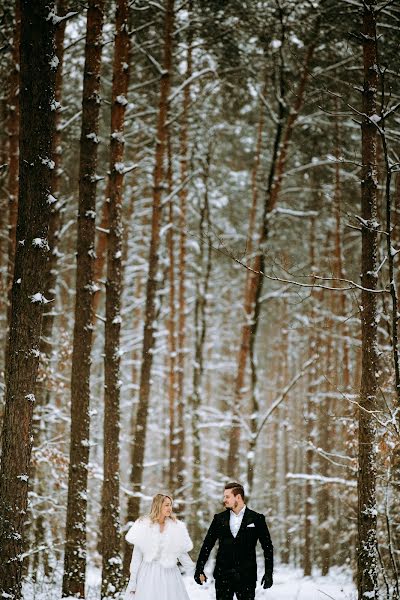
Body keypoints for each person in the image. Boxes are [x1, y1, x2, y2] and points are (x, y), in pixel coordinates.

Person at [194, 482, 273, 600]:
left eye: (227, 496)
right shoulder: (219, 519)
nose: (224, 500)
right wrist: (199, 569)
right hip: (223, 576)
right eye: (224, 496)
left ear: (238, 497)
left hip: (247, 576)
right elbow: (207, 544)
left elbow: (267, 547)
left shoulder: (257, 519)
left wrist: (268, 573)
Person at [124, 493, 194, 600]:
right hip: (148, 574)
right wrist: (133, 581)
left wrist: (196, 571)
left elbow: (181, 554)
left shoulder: (174, 526)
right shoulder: (144, 525)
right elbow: (136, 557)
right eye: (166, 505)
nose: (169, 508)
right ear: (158, 505)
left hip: (170, 573)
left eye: (170, 505)